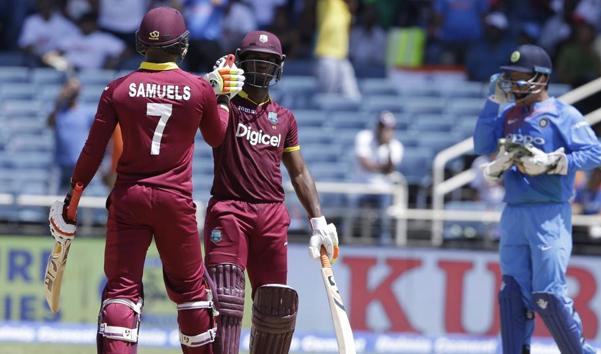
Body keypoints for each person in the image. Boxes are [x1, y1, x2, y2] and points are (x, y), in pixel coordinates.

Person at [47, 7, 244, 354]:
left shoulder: (118, 89)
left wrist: (71, 202)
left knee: (121, 292)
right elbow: (218, 137)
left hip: (129, 199)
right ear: (183, 46)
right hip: (175, 202)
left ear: (141, 43)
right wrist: (223, 100)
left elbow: (92, 152)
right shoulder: (198, 89)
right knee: (192, 294)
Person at [203, 30, 339, 354]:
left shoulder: (285, 118)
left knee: (275, 308)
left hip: (271, 216)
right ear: (242, 62)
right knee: (226, 302)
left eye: (268, 62)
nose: (261, 68)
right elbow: (203, 120)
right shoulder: (226, 105)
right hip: (229, 211)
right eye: (255, 60)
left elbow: (300, 172)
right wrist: (213, 88)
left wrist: (318, 220)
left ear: (278, 66)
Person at [474, 44, 601, 354]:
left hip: (549, 213)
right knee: (513, 294)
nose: (514, 84)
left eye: (520, 77)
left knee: (548, 297)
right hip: (514, 211)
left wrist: (555, 163)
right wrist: (492, 103)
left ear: (541, 79)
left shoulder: (564, 114)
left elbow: (594, 153)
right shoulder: (508, 114)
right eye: (510, 77)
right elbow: (481, 144)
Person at [347, 111, 404, 245]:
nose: (385, 131)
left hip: (382, 189)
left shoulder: (395, 146)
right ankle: (348, 239)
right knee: (352, 209)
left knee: (385, 212)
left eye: (389, 128)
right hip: (361, 186)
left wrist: (388, 146)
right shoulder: (364, 137)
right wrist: (382, 168)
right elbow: (365, 164)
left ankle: (384, 242)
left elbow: (390, 168)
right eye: (383, 127)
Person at [47, 78, 94, 193]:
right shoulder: (58, 111)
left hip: (79, 163)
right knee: (54, 200)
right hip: (60, 163)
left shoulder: (86, 112)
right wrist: (59, 101)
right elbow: (50, 123)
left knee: (80, 199)